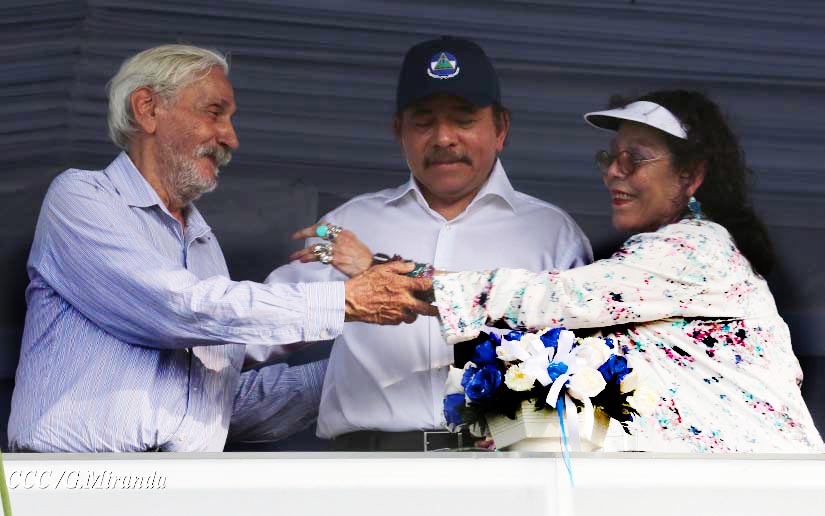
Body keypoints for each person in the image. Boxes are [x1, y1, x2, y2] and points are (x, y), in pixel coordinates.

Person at [7, 44, 434, 453]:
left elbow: (212, 402)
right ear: (148, 109)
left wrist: (371, 369)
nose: (231, 137)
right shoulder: (82, 197)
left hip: (180, 484)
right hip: (74, 481)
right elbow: (177, 308)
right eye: (214, 112)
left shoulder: (203, 244)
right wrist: (346, 301)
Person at [432, 90, 825, 452]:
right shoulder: (662, 267)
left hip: (764, 486)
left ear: (690, 175)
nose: (613, 172)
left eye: (634, 159)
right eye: (610, 158)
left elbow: (558, 298)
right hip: (739, 483)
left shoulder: (694, 249)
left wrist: (424, 285)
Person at [258, 36, 591, 450]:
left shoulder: (551, 233)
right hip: (368, 467)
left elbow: (587, 367)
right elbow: (262, 325)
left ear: (501, 128)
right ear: (398, 130)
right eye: (423, 122)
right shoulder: (349, 224)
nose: (444, 138)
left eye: (464, 120)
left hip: (503, 466)